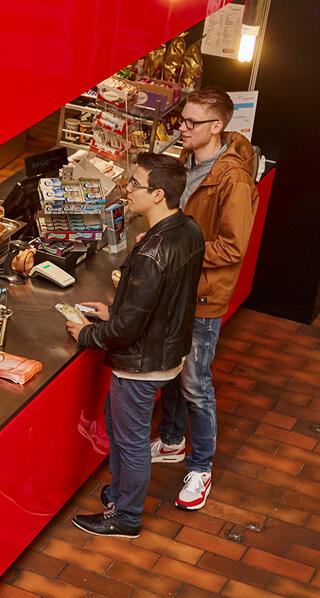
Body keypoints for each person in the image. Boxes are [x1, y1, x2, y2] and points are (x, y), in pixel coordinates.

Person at [66, 152, 204, 538]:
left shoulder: (151, 251)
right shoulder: (188, 231)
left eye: (135, 184)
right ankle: (119, 494)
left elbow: (127, 329)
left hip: (141, 364)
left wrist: (86, 334)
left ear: (158, 194)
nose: (127, 190)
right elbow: (163, 304)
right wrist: (114, 311)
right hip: (167, 353)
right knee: (121, 429)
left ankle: (125, 517)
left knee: (130, 442)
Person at [150, 87, 259, 511]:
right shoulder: (187, 161)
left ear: (217, 127)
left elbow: (233, 247)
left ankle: (200, 467)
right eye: (182, 119)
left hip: (202, 297)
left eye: (192, 122)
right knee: (174, 370)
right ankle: (173, 441)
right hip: (177, 289)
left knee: (196, 383)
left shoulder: (231, 177)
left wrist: (172, 254)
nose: (183, 127)